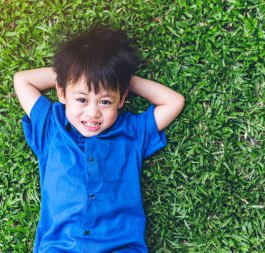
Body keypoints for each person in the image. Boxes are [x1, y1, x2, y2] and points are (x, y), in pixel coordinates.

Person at [13, 26, 185, 252]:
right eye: (82, 100)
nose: (93, 113)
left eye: (105, 101)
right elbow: (22, 80)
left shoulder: (132, 132)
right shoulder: (50, 125)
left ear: (121, 98)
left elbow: (173, 101)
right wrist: (75, 72)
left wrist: (119, 78)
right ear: (62, 94)